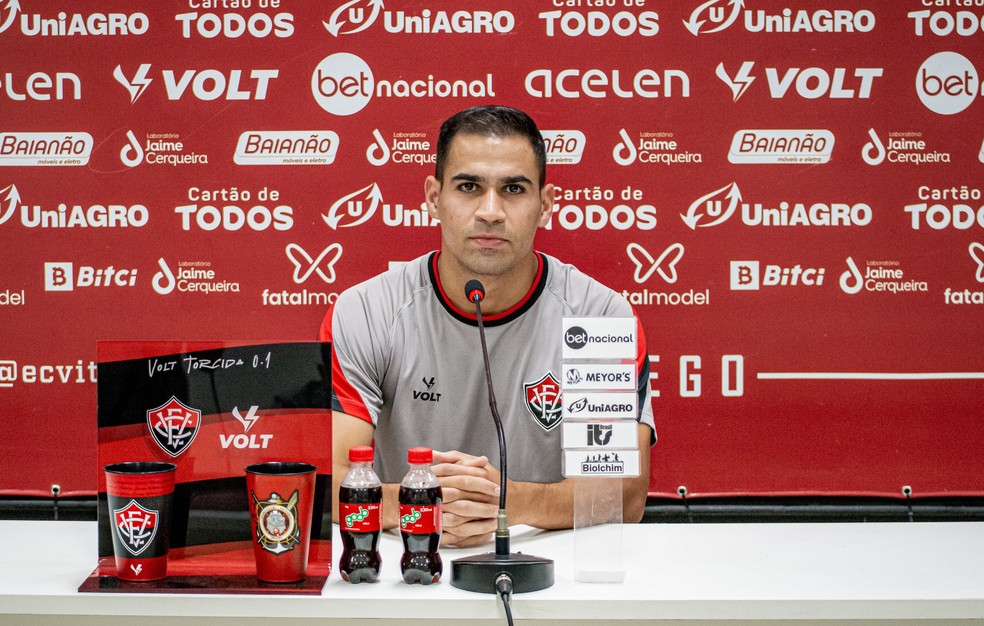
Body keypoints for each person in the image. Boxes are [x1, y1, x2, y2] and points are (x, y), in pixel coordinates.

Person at [320, 105, 656, 547]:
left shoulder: (600, 317)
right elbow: (329, 484)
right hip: (408, 562)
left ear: (545, 203)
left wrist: (504, 501)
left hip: (549, 565)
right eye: (469, 186)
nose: (491, 211)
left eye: (514, 188)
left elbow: (623, 496)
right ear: (433, 197)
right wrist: (423, 501)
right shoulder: (363, 312)